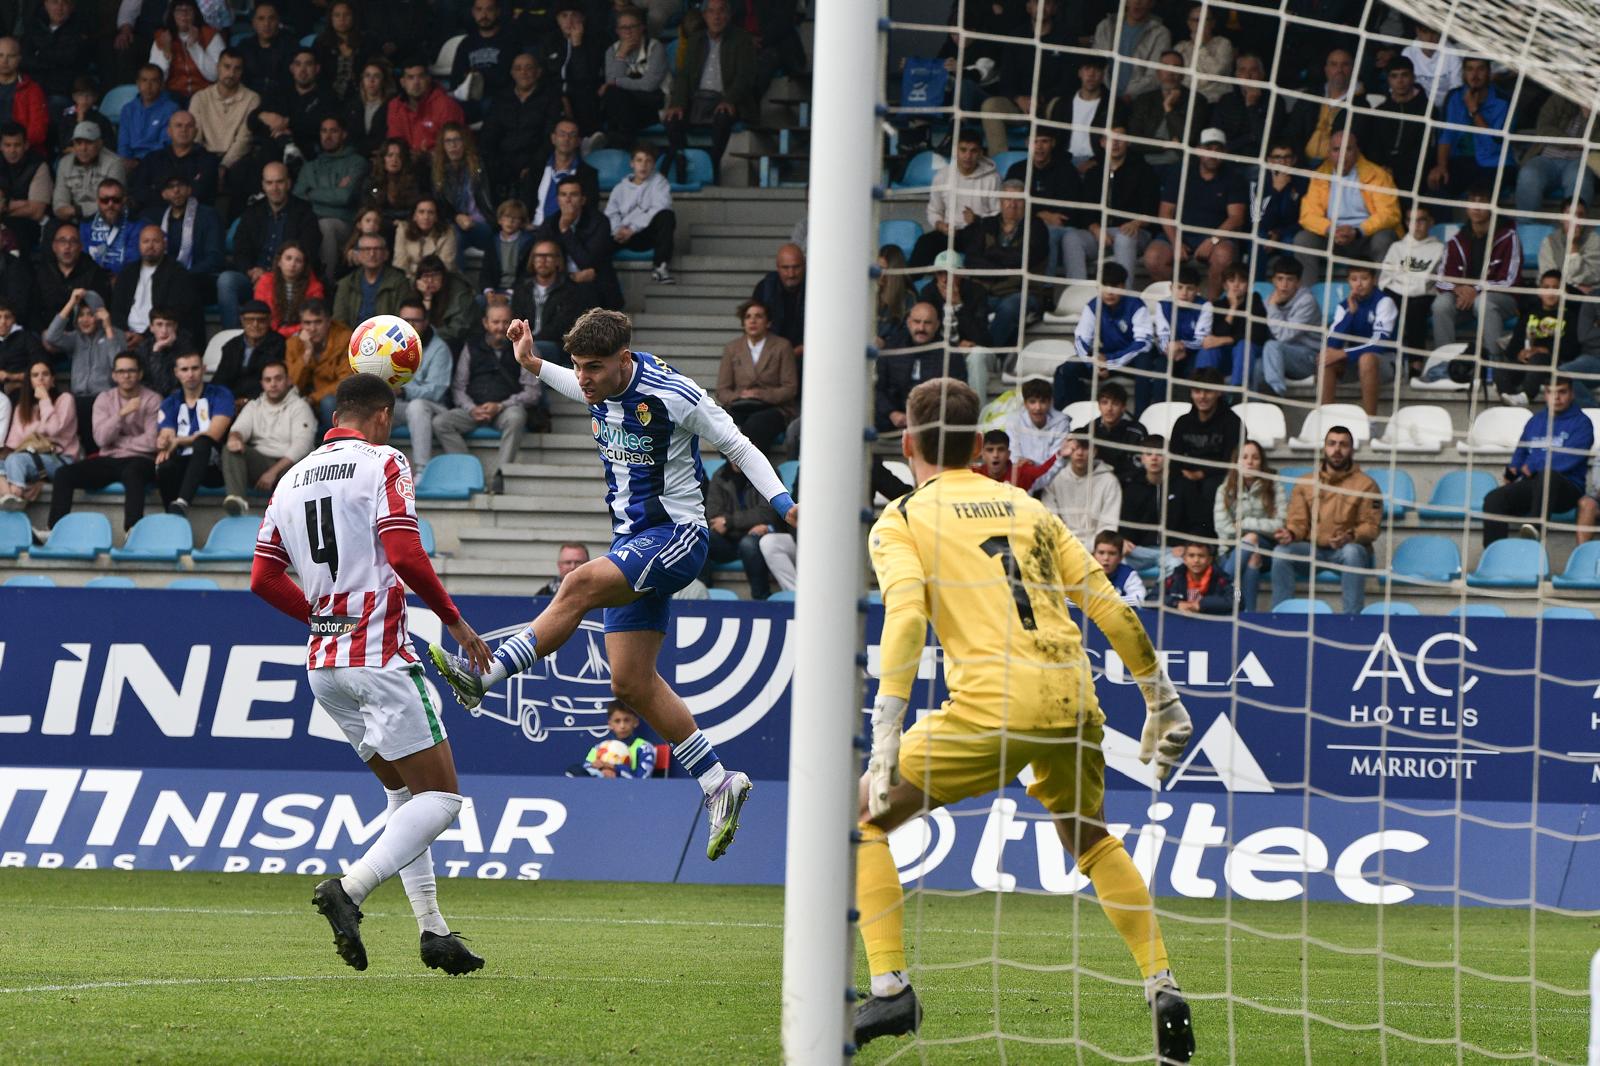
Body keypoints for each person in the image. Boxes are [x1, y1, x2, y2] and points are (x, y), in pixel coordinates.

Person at [850, 375, 1193, 1057]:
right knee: (1091, 839)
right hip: (1072, 698)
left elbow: (908, 616)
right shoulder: (1027, 507)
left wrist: (885, 725)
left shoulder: (903, 518)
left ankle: (890, 990)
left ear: (908, 443)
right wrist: (1163, 701)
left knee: (862, 819)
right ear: (980, 445)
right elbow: (1111, 607)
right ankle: (1162, 981)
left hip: (993, 705)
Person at [428, 308, 790, 863]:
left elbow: (738, 447)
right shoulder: (596, 383)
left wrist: (787, 506)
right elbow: (571, 381)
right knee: (631, 684)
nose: (584, 379)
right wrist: (531, 362)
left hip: (677, 536)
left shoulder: (674, 394)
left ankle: (487, 674)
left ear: (626, 359)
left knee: (575, 584)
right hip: (633, 542)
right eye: (578, 367)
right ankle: (719, 781)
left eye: (593, 368)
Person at [250, 372, 491, 977]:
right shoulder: (383, 461)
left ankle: (434, 932)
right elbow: (405, 552)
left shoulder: (291, 478)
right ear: (382, 415)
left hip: (324, 666)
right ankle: (350, 889)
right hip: (379, 657)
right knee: (442, 797)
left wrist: (318, 613)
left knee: (403, 794)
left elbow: (262, 577)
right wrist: (456, 622)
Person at [44, 351, 160, 533]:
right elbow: (101, 439)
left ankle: (133, 530)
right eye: (121, 371)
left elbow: (152, 442)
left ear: (140, 374)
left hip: (141, 460)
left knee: (133, 473)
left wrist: (118, 443)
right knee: (63, 474)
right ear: (114, 375)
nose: (126, 375)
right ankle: (54, 531)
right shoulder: (104, 399)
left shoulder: (152, 399)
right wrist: (122, 414)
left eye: (131, 370)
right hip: (109, 460)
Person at [1269, 425, 1380, 613]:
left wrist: (1350, 536)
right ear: (1324, 448)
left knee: (1352, 552)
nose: (1337, 449)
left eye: (1343, 445)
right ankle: (1281, 616)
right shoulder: (1305, 482)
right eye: (1332, 444)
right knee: (1281, 552)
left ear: (1352, 450)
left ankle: (1352, 620)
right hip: (1312, 550)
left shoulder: (1367, 485)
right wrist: (1291, 533)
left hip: (1345, 551)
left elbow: (1371, 527)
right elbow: (1298, 522)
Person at [433, 296, 539, 482]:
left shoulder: (525, 347)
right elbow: (459, 387)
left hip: (504, 410)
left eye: (505, 322)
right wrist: (471, 408)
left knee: (517, 416)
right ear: (485, 323)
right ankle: (469, 470)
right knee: (441, 422)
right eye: (495, 322)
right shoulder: (471, 346)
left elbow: (532, 393)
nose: (500, 327)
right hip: (473, 410)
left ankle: (500, 474)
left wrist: (500, 406)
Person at [1483, 378, 1593, 544]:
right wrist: (1513, 469)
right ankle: (1494, 555)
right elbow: (1521, 452)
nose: (1556, 398)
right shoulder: (1535, 421)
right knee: (1494, 499)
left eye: (1562, 392)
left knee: (1549, 475)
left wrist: (1534, 466)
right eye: (1551, 392)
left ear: (1572, 394)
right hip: (1534, 484)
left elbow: (1568, 460)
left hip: (1566, 489)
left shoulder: (1582, 423)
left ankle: (1534, 530)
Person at [1145, 128, 1246, 299]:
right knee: (1153, 258)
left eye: (1218, 149)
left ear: (1225, 152)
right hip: (1180, 233)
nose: (1213, 154)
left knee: (1223, 257)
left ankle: (1211, 310)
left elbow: (1236, 218)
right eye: (1208, 148)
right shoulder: (1180, 172)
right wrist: (1176, 242)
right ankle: (1177, 301)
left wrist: (1212, 240)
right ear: (1199, 150)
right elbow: (1165, 212)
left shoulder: (1234, 176)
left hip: (1217, 236)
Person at [1291, 129, 1401, 285]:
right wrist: (1331, 229)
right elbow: (1307, 216)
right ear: (1328, 153)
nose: (1341, 155)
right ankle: (1307, 297)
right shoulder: (1320, 176)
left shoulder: (1377, 175)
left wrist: (1357, 231)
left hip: (1365, 238)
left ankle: (1380, 295)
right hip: (1333, 238)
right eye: (1336, 150)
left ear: (1357, 151)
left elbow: (1390, 214)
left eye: (1348, 149)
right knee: (1303, 239)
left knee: (1384, 238)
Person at [663, 0, 756, 182]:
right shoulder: (695, 40)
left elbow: (745, 77)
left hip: (727, 99)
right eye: (711, 12)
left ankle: (712, 166)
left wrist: (729, 99)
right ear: (704, 16)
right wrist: (678, 104)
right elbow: (685, 76)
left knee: (723, 117)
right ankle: (683, 160)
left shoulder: (742, 39)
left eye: (721, 11)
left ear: (728, 16)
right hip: (698, 100)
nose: (716, 17)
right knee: (672, 119)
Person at [219, 162, 321, 328]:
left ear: (288, 183)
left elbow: (308, 250)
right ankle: (235, 337)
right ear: (263, 185)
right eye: (269, 183)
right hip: (254, 276)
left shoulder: (304, 212)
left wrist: (271, 274)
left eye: (279, 182)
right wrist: (250, 271)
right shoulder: (252, 212)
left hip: (289, 277)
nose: (274, 188)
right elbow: (240, 249)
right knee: (226, 281)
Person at [959, 177, 1048, 355]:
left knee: (1009, 308)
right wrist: (1002, 268)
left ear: (1025, 203)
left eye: (1018, 200)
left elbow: (1025, 259)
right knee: (966, 304)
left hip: (1023, 291)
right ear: (1000, 202)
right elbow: (971, 260)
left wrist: (992, 253)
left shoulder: (1037, 227)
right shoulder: (987, 224)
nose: (1012, 205)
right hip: (986, 290)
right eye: (1007, 199)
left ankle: (988, 355)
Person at [1432, 186, 1520, 365]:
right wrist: (1458, 289)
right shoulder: (1456, 240)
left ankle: (1494, 365)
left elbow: (1509, 280)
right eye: (1472, 202)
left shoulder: (1508, 236)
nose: (1477, 207)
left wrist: (1476, 290)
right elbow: (1441, 281)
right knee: (1440, 304)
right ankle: (1444, 364)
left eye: (1483, 202)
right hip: (1465, 302)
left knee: (1484, 302)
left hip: (1503, 300)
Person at [1053, 262, 1157, 411]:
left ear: (1123, 287)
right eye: (1104, 286)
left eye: (1114, 287)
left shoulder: (1136, 305)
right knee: (1067, 368)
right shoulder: (1093, 306)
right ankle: (1073, 415)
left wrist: (1109, 362)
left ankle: (1140, 421)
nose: (1109, 292)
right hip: (1104, 360)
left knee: (1145, 362)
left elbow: (1143, 343)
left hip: (1130, 361)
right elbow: (1080, 340)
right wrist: (1093, 363)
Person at [220, 359, 315, 514]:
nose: (273, 384)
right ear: (262, 383)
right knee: (230, 449)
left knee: (296, 469)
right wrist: (234, 438)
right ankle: (237, 502)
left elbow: (302, 446)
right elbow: (239, 429)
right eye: (268, 380)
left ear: (288, 380)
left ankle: (287, 517)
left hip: (290, 465)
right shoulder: (254, 406)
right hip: (262, 463)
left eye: (278, 378)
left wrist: (273, 472)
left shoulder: (300, 407)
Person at [44, 288, 125, 455]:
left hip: (105, 397)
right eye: (80, 315)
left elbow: (119, 365)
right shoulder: (76, 338)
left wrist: (108, 327)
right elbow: (51, 337)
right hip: (79, 398)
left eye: (90, 314)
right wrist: (71, 303)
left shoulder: (116, 334)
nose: (85, 320)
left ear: (101, 314)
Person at [153, 349, 231, 515]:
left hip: (213, 467)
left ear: (203, 369)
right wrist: (164, 442)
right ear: (176, 373)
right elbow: (167, 433)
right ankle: (173, 515)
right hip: (183, 462)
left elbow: (214, 434)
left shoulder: (220, 394)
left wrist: (179, 441)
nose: (190, 374)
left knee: (202, 442)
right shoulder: (170, 402)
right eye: (184, 369)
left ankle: (182, 502)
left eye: (194, 368)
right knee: (164, 465)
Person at [1167, 368, 1240, 542]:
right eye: (1197, 391)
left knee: (1210, 487)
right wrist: (1184, 473)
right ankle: (1176, 541)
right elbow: (1173, 458)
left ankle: (1207, 541)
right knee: (1178, 485)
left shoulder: (1233, 422)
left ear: (1219, 392)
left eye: (1207, 391)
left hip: (1219, 477)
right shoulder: (1183, 422)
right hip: (1187, 476)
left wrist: (1202, 473)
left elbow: (1231, 462)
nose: (1202, 397)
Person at [908, 129, 999, 268]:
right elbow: (934, 210)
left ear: (981, 153)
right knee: (925, 242)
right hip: (950, 232)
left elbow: (998, 215)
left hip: (978, 233)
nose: (968, 156)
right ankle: (909, 284)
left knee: (978, 247)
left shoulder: (992, 178)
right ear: (955, 151)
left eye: (973, 151)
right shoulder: (942, 176)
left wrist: (977, 220)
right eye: (963, 150)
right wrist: (940, 225)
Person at [530, 174, 621, 311]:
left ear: (583, 200)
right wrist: (570, 278)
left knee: (586, 291)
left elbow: (588, 263)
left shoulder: (599, 222)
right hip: (561, 281)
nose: (568, 200)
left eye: (573, 195)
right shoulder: (549, 224)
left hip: (596, 283)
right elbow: (542, 259)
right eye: (563, 195)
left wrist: (565, 230)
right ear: (557, 199)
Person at [716, 299, 796, 455]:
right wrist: (739, 396)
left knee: (755, 424)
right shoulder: (732, 348)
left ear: (768, 322)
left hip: (774, 408)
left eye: (758, 316)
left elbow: (790, 388)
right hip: (740, 405)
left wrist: (762, 395)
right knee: (724, 423)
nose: (752, 321)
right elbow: (722, 390)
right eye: (748, 317)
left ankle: (742, 472)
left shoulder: (782, 346)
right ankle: (735, 470)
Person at [1426, 57, 1511, 202]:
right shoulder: (1454, 96)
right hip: (1461, 159)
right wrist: (1441, 166)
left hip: (1493, 162)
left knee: (1481, 194)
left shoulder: (1503, 100)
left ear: (1489, 73)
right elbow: (1446, 135)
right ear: (1463, 74)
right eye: (1470, 69)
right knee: (1436, 183)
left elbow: (1495, 143)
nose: (1475, 75)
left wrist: (1474, 111)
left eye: (1480, 69)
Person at [1213, 439, 1285, 611]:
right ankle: (1249, 613)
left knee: (1252, 539)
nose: (1250, 462)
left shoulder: (1274, 486)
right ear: (1236, 462)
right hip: (1229, 551)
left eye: (1255, 458)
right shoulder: (1224, 490)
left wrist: (1246, 524)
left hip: (1267, 548)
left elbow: (1281, 523)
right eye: (1244, 457)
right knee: (1252, 556)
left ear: (1262, 462)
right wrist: (1249, 535)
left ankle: (1220, 588)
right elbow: (1224, 529)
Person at [1317, 263, 1397, 415]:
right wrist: (1350, 313)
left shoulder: (1384, 302)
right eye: (1354, 279)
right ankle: (1325, 420)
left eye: (1364, 278)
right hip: (1354, 362)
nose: (1359, 284)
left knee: (1366, 359)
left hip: (1385, 362)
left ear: (1374, 280)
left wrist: (1344, 353)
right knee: (1327, 359)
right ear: (1348, 281)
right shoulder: (1344, 306)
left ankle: (1370, 423)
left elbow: (1379, 344)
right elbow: (1332, 344)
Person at [294, 114, 368, 279]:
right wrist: (333, 193)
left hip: (345, 226)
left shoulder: (356, 162)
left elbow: (345, 197)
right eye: (324, 131)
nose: (327, 136)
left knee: (326, 225)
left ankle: (327, 282)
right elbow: (297, 198)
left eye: (333, 131)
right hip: (311, 223)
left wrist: (312, 193)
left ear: (344, 134)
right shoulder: (310, 166)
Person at [480, 52, 560, 199]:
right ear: (512, 73)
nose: (523, 72)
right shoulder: (501, 99)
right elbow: (488, 135)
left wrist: (533, 166)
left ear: (538, 72)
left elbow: (550, 138)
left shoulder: (550, 98)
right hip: (502, 162)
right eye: (518, 68)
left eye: (529, 68)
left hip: (534, 163)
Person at [875, 302, 964, 432]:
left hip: (935, 426)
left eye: (927, 323)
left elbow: (958, 394)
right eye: (917, 322)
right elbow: (877, 389)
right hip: (892, 424)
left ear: (937, 325)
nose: (921, 328)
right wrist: (892, 413)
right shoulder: (891, 349)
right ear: (908, 323)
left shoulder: (950, 354)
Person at [0, 359, 77, 508]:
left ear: (53, 380)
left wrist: (45, 400)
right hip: (28, 461)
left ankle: (15, 494)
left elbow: (53, 429)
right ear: (30, 381)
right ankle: (11, 496)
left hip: (60, 460)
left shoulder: (65, 400)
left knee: (16, 460)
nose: (40, 378)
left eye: (45, 374)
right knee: (11, 460)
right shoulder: (22, 408)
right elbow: (13, 445)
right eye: (35, 375)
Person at [1497, 271, 1585, 402]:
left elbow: (1572, 349)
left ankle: (1526, 396)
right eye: (1546, 287)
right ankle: (1508, 397)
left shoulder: (1571, 316)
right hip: (1527, 362)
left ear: (1564, 291)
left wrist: (1545, 350)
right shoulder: (1529, 314)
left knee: (1538, 359)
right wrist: (1520, 353)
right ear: (1539, 291)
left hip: (1555, 362)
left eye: (1555, 288)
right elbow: (1513, 346)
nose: (1550, 292)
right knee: (1501, 368)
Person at [392, 296, 455, 470]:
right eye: (406, 320)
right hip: (400, 406)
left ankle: (421, 469)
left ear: (426, 322)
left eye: (416, 321)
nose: (410, 325)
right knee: (372, 408)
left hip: (434, 407)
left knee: (417, 406)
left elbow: (436, 390)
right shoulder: (388, 345)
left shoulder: (439, 348)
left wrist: (403, 391)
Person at [1378, 206, 1446, 365]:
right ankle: (1387, 360)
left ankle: (1416, 363)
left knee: (1415, 309)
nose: (1416, 225)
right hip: (1398, 292)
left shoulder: (1440, 248)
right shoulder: (1397, 247)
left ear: (1431, 222)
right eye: (1411, 220)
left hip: (1425, 295)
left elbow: (1434, 279)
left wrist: (1409, 284)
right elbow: (1386, 278)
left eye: (1421, 220)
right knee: (1386, 305)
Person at [704, 459, 780, 599]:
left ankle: (760, 599)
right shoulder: (720, 475)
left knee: (748, 544)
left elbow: (767, 514)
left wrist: (729, 522)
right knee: (702, 539)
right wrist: (745, 523)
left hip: (757, 538)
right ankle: (702, 596)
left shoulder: (767, 473)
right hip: (729, 541)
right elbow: (714, 517)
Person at [513, 239, 599, 360]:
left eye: (548, 256)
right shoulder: (522, 289)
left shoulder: (570, 291)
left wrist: (530, 341)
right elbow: (517, 318)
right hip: (526, 342)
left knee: (532, 349)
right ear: (532, 260)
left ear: (558, 261)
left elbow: (560, 327)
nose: (543, 260)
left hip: (557, 346)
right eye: (538, 256)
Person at [1093, 125, 1160, 279]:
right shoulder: (1094, 173)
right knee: (1072, 239)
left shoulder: (1144, 171)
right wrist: (1095, 228)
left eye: (1120, 139)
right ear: (1102, 142)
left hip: (1135, 231)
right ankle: (1077, 293)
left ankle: (1124, 295)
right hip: (1101, 233)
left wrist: (1136, 222)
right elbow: (1085, 211)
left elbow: (1152, 211)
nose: (1115, 143)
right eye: (1110, 139)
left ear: (1128, 142)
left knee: (1124, 238)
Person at [1356, 54, 1428, 195]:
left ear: (1413, 77)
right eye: (1394, 76)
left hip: (1414, 176)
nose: (1400, 81)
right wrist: (1381, 167)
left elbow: (1424, 150)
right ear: (1388, 80)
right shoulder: (1380, 111)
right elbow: (1373, 144)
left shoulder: (1427, 111)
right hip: (1381, 174)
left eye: (1404, 75)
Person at [1124, 51, 1207, 172]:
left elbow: (1188, 139)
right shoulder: (1144, 100)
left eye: (1176, 68)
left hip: (1179, 165)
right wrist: (1166, 144)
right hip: (1142, 164)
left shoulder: (1196, 101)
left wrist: (1168, 108)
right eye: (1166, 67)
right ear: (1158, 72)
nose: (1170, 73)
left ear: (1183, 74)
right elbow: (1134, 140)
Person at [111, 226, 198, 340]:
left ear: (165, 244)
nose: (150, 246)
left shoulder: (177, 273)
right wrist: (124, 334)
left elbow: (174, 312)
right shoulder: (127, 272)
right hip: (125, 336)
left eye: (155, 241)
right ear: (139, 245)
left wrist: (144, 337)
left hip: (159, 337)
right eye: (145, 241)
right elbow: (117, 309)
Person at [599, 7, 668, 148]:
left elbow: (649, 85)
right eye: (623, 27)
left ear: (642, 28)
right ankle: (625, 142)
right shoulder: (612, 51)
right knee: (613, 95)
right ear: (617, 31)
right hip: (628, 108)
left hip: (653, 104)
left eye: (633, 26)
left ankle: (614, 143)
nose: (628, 31)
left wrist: (617, 81)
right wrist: (621, 55)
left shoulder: (655, 47)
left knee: (616, 104)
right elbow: (611, 85)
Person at [605, 146, 675, 284]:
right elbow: (611, 213)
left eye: (648, 161)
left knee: (667, 216)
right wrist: (617, 231)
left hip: (646, 234)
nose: (643, 165)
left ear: (653, 165)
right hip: (621, 235)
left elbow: (659, 207)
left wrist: (633, 229)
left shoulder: (659, 183)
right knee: (600, 237)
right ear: (632, 163)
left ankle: (660, 267)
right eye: (639, 160)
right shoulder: (620, 188)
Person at [1257, 256, 1323, 397]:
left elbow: (1284, 336)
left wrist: (1273, 307)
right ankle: (1251, 407)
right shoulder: (1267, 301)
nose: (1284, 285)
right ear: (1273, 281)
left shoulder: (1307, 301)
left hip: (1309, 358)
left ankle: (1276, 396)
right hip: (1279, 357)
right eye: (1280, 279)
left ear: (1298, 283)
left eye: (1290, 279)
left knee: (1272, 346)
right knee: (1256, 365)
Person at [189, 48, 260, 178]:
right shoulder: (200, 98)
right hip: (205, 157)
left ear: (242, 72)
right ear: (218, 67)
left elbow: (244, 139)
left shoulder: (252, 98)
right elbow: (195, 137)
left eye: (237, 69)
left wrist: (224, 165)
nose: (231, 73)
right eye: (227, 67)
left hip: (238, 159)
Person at [1041, 433, 1123, 543]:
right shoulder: (1054, 479)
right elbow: (1050, 519)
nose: (1079, 453)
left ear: (1094, 451)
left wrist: (1093, 548)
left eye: (1085, 448)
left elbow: (1108, 526)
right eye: (1075, 448)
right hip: (1063, 544)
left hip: (1097, 549)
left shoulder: (1110, 481)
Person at [432, 123, 495, 264]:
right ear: (442, 145)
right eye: (448, 141)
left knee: (453, 236)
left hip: (481, 224)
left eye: (457, 140)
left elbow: (490, 200)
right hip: (452, 225)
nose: (453, 145)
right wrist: (456, 217)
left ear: (465, 142)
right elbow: (439, 204)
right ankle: (457, 282)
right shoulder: (437, 171)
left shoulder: (480, 165)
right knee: (453, 235)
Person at [537, 2, 603, 138]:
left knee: (585, 98)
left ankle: (588, 141)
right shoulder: (549, 42)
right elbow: (544, 76)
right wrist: (562, 97)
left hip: (584, 94)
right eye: (564, 16)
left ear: (583, 18)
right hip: (555, 95)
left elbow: (585, 76)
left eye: (574, 15)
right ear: (557, 20)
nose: (569, 20)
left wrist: (577, 45)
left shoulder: (595, 41)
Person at [1282, 46, 1357, 165]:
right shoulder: (1309, 97)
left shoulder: (1359, 104)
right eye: (1334, 64)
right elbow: (1292, 133)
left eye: (1345, 65)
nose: (1339, 69)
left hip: (1337, 167)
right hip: (1301, 162)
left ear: (1353, 69)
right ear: (1326, 69)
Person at [285, 299, 353, 430]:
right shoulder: (293, 343)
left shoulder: (345, 339)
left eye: (318, 322)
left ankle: (334, 446)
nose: (312, 328)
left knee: (328, 402)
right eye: (307, 323)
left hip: (335, 401)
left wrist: (313, 398)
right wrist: (307, 353)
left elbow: (345, 381)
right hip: (303, 400)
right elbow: (292, 384)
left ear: (328, 322)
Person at [130, 110, 219, 210]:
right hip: (156, 214)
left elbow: (203, 192)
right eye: (178, 125)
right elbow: (139, 190)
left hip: (195, 215)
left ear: (195, 132)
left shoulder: (208, 160)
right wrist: (163, 195)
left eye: (189, 126)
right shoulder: (153, 158)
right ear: (169, 131)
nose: (184, 130)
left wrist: (165, 192)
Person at [522, 118, 600, 229]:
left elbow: (590, 209)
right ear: (553, 138)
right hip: (535, 229)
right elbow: (525, 202)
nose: (566, 139)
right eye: (562, 134)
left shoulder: (588, 174)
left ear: (578, 141)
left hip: (569, 231)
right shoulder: (536, 169)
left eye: (572, 135)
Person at [1120, 435, 1180, 577]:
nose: (1154, 458)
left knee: (1179, 565)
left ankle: (1163, 598)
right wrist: (1122, 539)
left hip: (1171, 550)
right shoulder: (1131, 486)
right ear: (1142, 458)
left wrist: (1186, 545)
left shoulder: (1182, 485)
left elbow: (1195, 521)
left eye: (1159, 454)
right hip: (1137, 550)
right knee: (1114, 560)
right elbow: (1123, 520)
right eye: (1149, 454)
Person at [1092, 0, 1173, 102]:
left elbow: (1156, 74)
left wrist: (1131, 94)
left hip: (1139, 100)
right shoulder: (1106, 26)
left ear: (1152, 3)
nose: (1137, 2)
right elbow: (1095, 63)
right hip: (1103, 96)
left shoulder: (1160, 33)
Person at [1203, 264, 1269, 389]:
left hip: (1250, 352)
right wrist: (1233, 308)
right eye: (1231, 281)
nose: (1236, 285)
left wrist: (1227, 339)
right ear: (1224, 285)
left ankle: (1237, 391)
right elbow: (1217, 335)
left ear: (1248, 285)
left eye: (1242, 281)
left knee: (1243, 345)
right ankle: (1205, 389)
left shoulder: (1255, 301)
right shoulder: (1218, 305)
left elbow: (1256, 334)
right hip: (1227, 355)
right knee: (1208, 349)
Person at [211, 299, 286, 401]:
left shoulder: (279, 344)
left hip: (264, 401)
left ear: (269, 321)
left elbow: (267, 380)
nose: (255, 325)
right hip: (231, 402)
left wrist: (246, 401)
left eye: (261, 320)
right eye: (250, 320)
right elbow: (220, 379)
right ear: (242, 321)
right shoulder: (231, 346)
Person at [386, 59, 464, 156]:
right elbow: (396, 142)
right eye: (410, 77)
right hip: (407, 163)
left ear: (428, 79)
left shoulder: (446, 105)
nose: (416, 82)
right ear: (403, 83)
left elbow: (455, 147)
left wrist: (425, 156)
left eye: (421, 77)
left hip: (439, 163)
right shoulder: (395, 106)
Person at [54, 123, 127, 224]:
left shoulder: (114, 163)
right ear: (73, 145)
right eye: (78, 143)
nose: (83, 148)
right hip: (73, 219)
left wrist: (78, 210)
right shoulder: (64, 163)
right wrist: (65, 210)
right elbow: (59, 204)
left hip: (103, 217)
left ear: (100, 143)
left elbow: (113, 202)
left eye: (89, 143)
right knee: (53, 226)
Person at [39, 223, 110, 324]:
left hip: (82, 333)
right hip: (46, 331)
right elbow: (34, 309)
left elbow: (99, 311)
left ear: (80, 247)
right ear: (54, 246)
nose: (67, 246)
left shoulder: (94, 272)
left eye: (73, 241)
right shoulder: (42, 271)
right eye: (62, 241)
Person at [1212, 52, 1276, 161]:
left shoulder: (1274, 101)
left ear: (1262, 75)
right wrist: (1249, 138)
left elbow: (1265, 141)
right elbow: (1215, 134)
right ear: (1236, 75)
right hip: (1227, 159)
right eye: (1242, 70)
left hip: (1258, 161)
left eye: (1253, 70)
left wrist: (1251, 106)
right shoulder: (1226, 100)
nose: (1248, 75)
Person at [1155, 261, 1214, 380]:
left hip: (1193, 352)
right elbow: (1162, 336)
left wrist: (1181, 346)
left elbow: (1201, 340)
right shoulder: (1162, 305)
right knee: (1161, 366)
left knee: (1195, 369)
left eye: (1190, 289)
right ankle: (1159, 399)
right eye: (1179, 287)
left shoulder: (1205, 306)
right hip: (1169, 352)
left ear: (1197, 290)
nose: (1184, 293)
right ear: (1171, 288)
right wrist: (1171, 348)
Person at [251, 240, 323, 336]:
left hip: (300, 334)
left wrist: (286, 332)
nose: (292, 264)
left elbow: (313, 319)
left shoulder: (314, 287)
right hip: (268, 333)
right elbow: (260, 313)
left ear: (304, 266)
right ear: (279, 262)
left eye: (298, 261)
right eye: (288, 258)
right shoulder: (265, 281)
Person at [452, 0, 521, 100]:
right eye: (479, 10)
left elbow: (506, 77)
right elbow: (457, 77)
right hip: (471, 98)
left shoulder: (509, 41)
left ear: (497, 12)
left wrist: (479, 76)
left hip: (500, 99)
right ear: (473, 12)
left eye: (489, 9)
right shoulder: (466, 43)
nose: (484, 15)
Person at [332, 234, 408, 325]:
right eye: (366, 249)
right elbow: (339, 321)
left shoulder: (398, 282)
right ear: (358, 255)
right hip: (352, 336)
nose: (372, 254)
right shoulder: (347, 283)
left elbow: (401, 320)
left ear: (386, 254)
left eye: (377, 249)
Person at [1253, 141, 1306, 264]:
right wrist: (1275, 191)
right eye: (1277, 157)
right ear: (1269, 161)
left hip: (1290, 232)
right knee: (1258, 240)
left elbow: (1304, 220)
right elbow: (1259, 220)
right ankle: (1256, 283)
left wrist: (1279, 233)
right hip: (1266, 231)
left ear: (1294, 160)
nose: (1282, 162)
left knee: (1289, 242)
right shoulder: (1259, 183)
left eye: (1287, 157)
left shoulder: (1303, 182)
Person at [573, 704, 657, 779]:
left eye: (626, 720)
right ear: (610, 724)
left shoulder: (644, 747)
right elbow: (586, 769)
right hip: (599, 789)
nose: (622, 726)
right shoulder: (600, 747)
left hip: (630, 791)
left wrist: (614, 768)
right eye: (617, 721)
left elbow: (642, 779)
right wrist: (602, 772)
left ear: (635, 722)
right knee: (573, 770)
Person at [750, 242, 805, 356]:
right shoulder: (765, 288)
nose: (791, 274)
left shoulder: (816, 288)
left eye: (796, 267)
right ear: (777, 267)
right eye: (785, 268)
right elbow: (753, 323)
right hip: (773, 357)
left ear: (804, 265)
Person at [118, 64, 179, 162]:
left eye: (154, 81)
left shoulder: (171, 109)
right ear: (138, 83)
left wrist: (140, 161)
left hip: (158, 161)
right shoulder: (128, 109)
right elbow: (123, 144)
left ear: (161, 84)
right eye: (144, 80)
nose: (148, 86)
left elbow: (166, 144)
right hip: (129, 162)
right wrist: (125, 161)